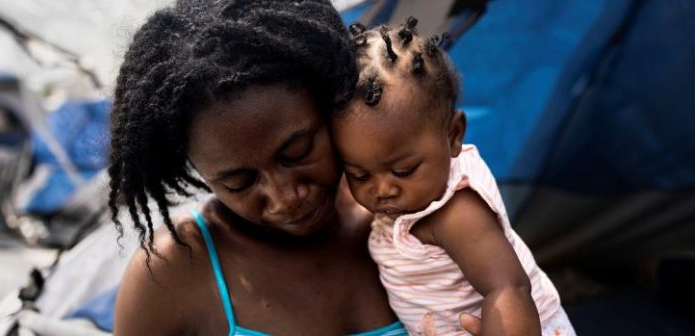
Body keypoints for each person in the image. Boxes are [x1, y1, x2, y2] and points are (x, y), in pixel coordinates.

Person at [107, 0, 412, 335]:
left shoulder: (409, 209)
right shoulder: (175, 275)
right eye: (239, 182)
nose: (285, 198)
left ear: (329, 100)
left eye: (297, 152)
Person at [330, 18, 577, 335]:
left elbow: (507, 287)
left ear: (454, 134)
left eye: (403, 170)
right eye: (359, 175)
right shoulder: (410, 198)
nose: (383, 189)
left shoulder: (454, 212)